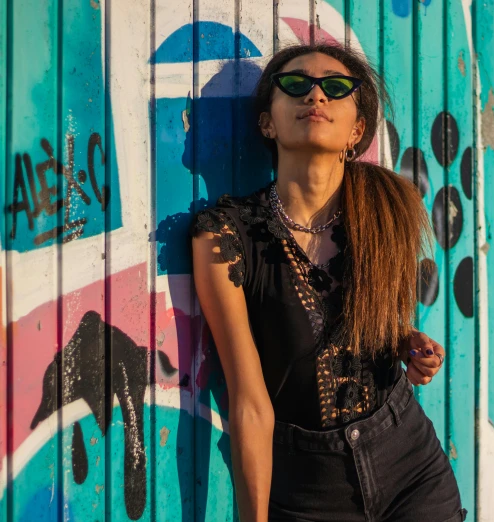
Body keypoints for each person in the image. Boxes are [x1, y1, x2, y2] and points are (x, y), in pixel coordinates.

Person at [190, 42, 468, 522]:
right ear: (267, 122)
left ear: (356, 129)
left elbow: (369, 323)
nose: (315, 96)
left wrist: (406, 343)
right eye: (296, 85)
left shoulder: (387, 206)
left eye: (336, 87)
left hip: (410, 465)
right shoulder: (225, 236)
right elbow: (250, 402)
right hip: (308, 489)